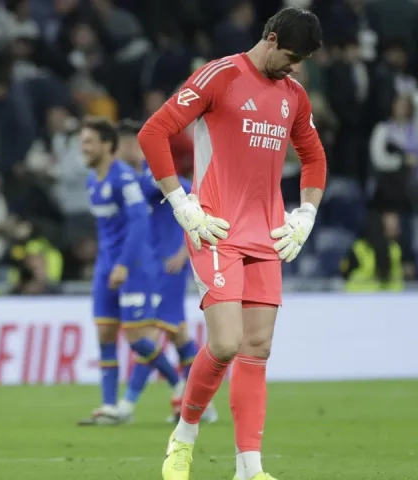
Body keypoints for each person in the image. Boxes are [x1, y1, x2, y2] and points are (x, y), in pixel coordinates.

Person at [138, 7, 326, 480]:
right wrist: (182, 203)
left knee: (257, 348)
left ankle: (249, 468)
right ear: (271, 36)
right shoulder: (220, 75)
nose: (295, 67)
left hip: (267, 233)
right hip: (215, 226)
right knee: (224, 342)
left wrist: (306, 213)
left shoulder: (294, 96)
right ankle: (184, 437)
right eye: (291, 55)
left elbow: (313, 156)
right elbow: (153, 131)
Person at [76, 117, 184, 426]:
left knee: (136, 336)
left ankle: (178, 383)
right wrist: (107, 263)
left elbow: (139, 223)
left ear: (107, 145)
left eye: (89, 143)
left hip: (134, 265)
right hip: (106, 266)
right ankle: (110, 406)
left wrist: (124, 263)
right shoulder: (92, 180)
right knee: (105, 333)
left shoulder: (124, 179)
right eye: (82, 142)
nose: (83, 149)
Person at [115, 120, 216, 425]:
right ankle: (198, 404)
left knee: (145, 334)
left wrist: (184, 252)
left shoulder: (159, 179)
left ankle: (129, 403)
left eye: (131, 143)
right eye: (121, 144)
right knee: (178, 334)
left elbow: (203, 209)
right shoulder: (124, 183)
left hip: (168, 268)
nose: (125, 149)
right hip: (144, 269)